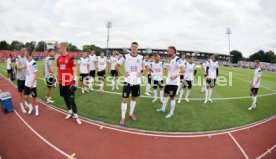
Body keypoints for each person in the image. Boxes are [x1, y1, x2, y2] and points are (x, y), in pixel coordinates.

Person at [115, 42, 147, 126]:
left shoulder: (141, 57)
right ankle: (123, 117)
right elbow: (116, 66)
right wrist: (122, 74)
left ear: (137, 48)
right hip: (127, 81)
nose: (134, 48)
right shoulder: (125, 56)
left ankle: (131, 114)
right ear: (130, 47)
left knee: (134, 99)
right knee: (124, 99)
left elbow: (147, 67)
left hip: (136, 82)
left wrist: (142, 74)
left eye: (135, 47)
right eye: (133, 46)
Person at [56, 42, 81, 125]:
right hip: (61, 82)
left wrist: (74, 82)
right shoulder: (58, 58)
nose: (58, 49)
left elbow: (74, 70)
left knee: (71, 99)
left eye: (59, 48)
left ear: (63, 48)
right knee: (65, 98)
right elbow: (58, 70)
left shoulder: (70, 57)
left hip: (69, 82)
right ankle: (70, 112)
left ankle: (76, 115)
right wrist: (55, 79)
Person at [156, 46, 185, 118]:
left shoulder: (178, 59)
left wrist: (176, 75)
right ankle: (163, 109)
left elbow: (183, 69)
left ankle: (171, 112)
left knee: (172, 97)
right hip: (169, 82)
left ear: (172, 51)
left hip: (174, 83)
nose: (167, 52)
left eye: (168, 51)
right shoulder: (171, 60)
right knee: (165, 95)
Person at [24, 48, 39, 116]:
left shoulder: (34, 63)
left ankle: (36, 110)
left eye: (25, 52)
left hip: (32, 84)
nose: (24, 53)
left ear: (28, 53)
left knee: (34, 97)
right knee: (26, 97)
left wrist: (32, 83)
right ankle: (31, 108)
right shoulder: (26, 61)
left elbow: (36, 74)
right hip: (27, 83)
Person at [15, 47, 28, 113]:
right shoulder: (17, 58)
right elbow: (18, 67)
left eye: (25, 50)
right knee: (20, 94)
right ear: (20, 51)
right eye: (22, 50)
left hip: (26, 78)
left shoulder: (26, 57)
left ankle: (25, 103)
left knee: (25, 92)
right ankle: (21, 106)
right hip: (20, 78)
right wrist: (25, 66)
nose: (24, 51)